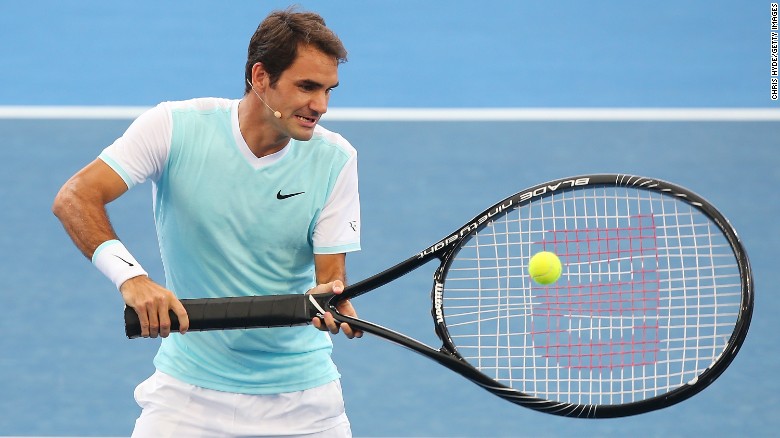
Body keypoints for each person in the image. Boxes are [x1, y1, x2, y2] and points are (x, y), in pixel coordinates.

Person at [52, 8, 362, 437]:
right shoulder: (175, 128)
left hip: (305, 407)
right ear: (260, 77)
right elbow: (75, 197)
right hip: (187, 399)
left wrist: (330, 299)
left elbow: (330, 279)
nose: (321, 106)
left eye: (329, 90)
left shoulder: (336, 158)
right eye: (306, 87)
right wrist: (132, 278)